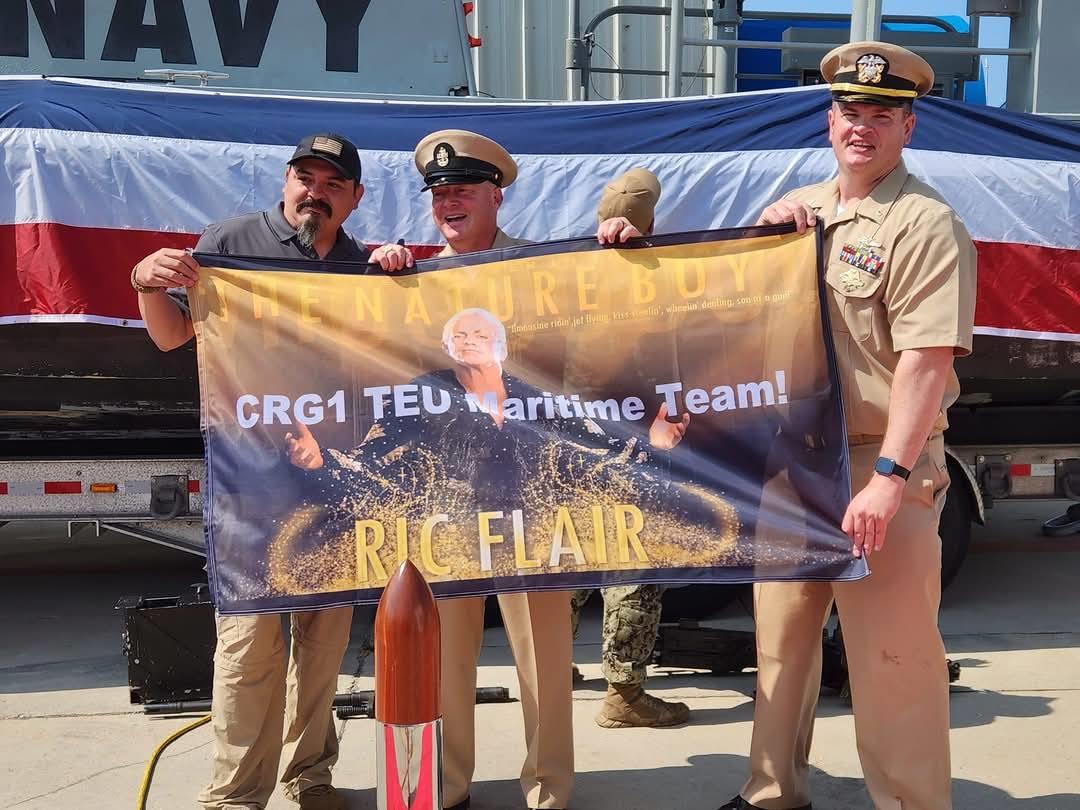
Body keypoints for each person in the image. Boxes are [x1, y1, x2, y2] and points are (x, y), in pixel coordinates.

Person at [715, 42, 977, 810]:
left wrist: (891, 481)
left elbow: (925, 363)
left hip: (874, 466)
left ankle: (910, 802)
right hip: (793, 464)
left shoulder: (926, 224)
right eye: (849, 113)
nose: (861, 129)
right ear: (830, 121)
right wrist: (762, 242)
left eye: (880, 116)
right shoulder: (800, 210)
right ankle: (771, 793)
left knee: (893, 660)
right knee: (780, 647)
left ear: (908, 126)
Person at [131, 132, 408, 810]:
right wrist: (143, 279)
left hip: (333, 484)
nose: (314, 191)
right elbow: (171, 336)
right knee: (250, 648)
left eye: (331, 183)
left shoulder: (359, 266)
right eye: (304, 177)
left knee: (322, 649)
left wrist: (401, 275)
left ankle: (308, 777)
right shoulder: (228, 244)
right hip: (250, 483)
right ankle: (234, 795)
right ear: (285, 183)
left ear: (354, 199)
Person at [569, 168, 691, 729]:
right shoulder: (651, 277)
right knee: (632, 559)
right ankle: (624, 691)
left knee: (566, 556)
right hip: (628, 439)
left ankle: (550, 660)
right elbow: (664, 364)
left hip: (564, 439)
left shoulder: (565, 268)